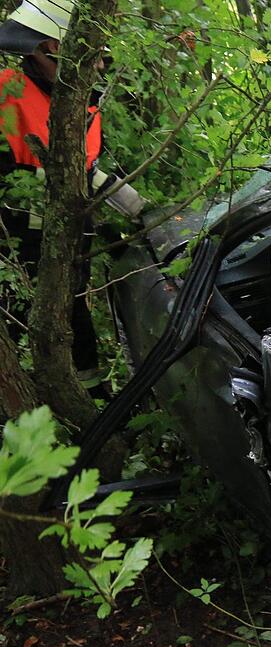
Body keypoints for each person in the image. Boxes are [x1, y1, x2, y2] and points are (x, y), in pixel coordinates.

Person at [0, 0, 143, 388]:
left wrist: (141, 212)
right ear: (51, 48)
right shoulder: (6, 93)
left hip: (72, 234)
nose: (98, 66)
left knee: (75, 319)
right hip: (14, 244)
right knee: (12, 324)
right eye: (92, 56)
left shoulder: (83, 101)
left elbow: (87, 170)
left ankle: (90, 403)